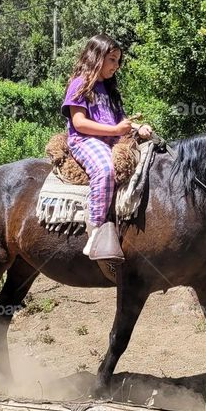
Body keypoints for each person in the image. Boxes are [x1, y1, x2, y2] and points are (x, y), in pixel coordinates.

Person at [62, 34, 152, 263]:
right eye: (112, 59)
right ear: (96, 57)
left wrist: (137, 127)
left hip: (109, 140)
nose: (117, 65)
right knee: (105, 169)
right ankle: (96, 231)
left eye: (118, 60)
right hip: (84, 140)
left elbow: (120, 120)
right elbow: (79, 123)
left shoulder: (110, 89)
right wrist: (115, 131)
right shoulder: (80, 84)